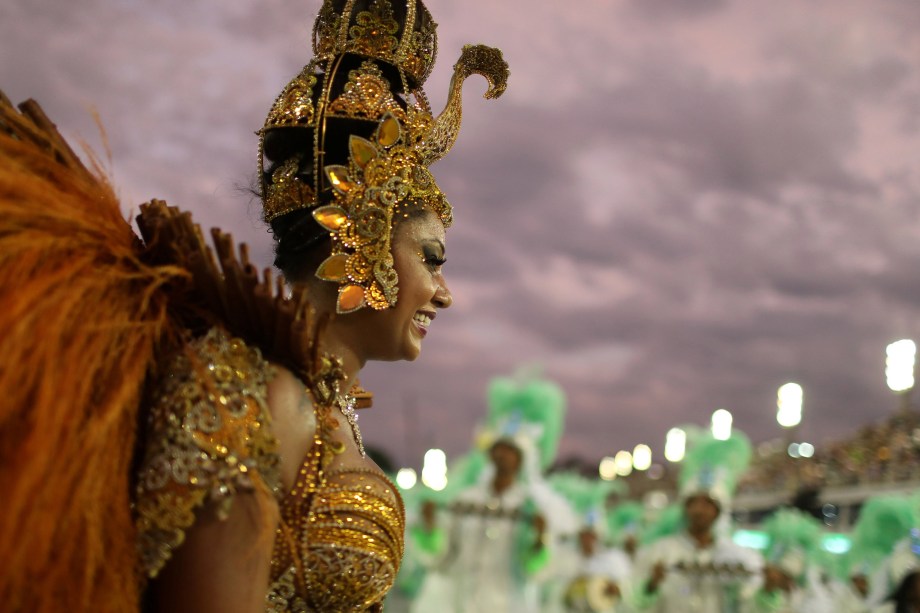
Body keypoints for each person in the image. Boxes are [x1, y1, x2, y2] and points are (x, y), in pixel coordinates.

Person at [0, 0, 508, 610]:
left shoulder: (319, 402)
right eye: (431, 258)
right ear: (362, 230)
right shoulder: (243, 390)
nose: (444, 294)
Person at [409, 371, 576, 613]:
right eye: (498, 449)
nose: (502, 455)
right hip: (460, 604)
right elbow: (442, 557)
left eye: (510, 451)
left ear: (521, 460)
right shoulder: (465, 500)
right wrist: (429, 527)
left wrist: (540, 541)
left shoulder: (531, 507)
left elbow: (537, 570)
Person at [630, 431, 762, 613]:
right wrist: (651, 585)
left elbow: (754, 603)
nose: (700, 510)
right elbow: (633, 601)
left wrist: (768, 590)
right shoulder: (660, 551)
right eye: (694, 503)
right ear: (685, 508)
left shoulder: (735, 556)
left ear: (718, 511)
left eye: (708, 504)